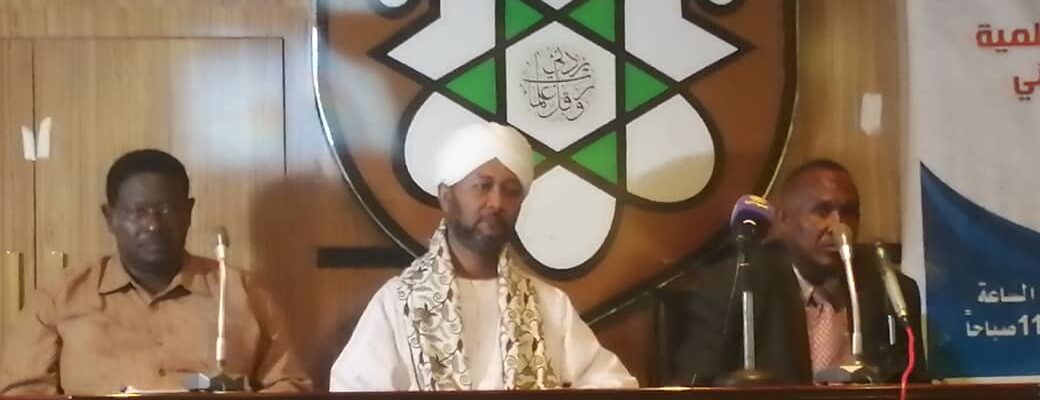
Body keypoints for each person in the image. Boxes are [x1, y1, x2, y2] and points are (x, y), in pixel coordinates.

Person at [329, 122, 638, 391]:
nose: (497, 202)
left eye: (511, 190)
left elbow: (615, 385)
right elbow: (353, 389)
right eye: (482, 186)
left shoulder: (549, 305)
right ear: (446, 198)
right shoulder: (398, 303)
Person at [0, 149, 312, 394]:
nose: (153, 225)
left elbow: (291, 385)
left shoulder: (244, 293)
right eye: (138, 212)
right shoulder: (59, 299)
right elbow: (20, 392)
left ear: (188, 212)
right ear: (110, 217)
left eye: (166, 209)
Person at [671, 159, 927, 385]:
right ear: (784, 219)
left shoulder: (889, 288)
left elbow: (912, 384)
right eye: (822, 212)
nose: (839, 227)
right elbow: (697, 383)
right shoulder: (737, 283)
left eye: (849, 213)